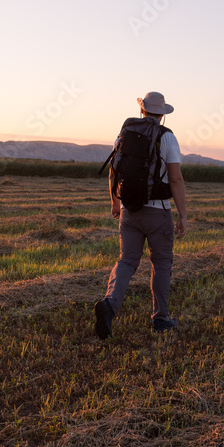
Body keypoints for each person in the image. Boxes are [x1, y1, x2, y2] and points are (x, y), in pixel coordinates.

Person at [94, 91, 187, 339]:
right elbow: (176, 178)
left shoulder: (123, 135)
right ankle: (161, 319)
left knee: (126, 261)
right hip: (158, 212)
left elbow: (113, 172)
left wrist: (115, 203)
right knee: (161, 264)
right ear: (162, 114)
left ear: (142, 110)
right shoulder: (167, 137)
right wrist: (183, 215)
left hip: (129, 210)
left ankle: (109, 305)